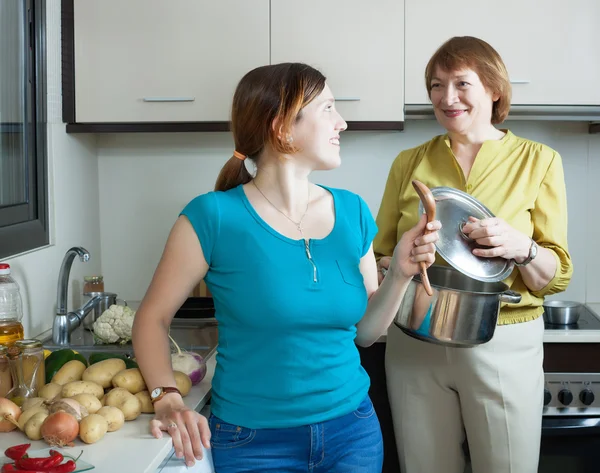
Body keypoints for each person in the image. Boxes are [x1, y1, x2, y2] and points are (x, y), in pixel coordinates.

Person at [131, 62, 441, 472]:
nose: (342, 122)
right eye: (328, 108)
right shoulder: (213, 217)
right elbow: (151, 319)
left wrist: (400, 273)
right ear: (282, 127)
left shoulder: (353, 211)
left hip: (353, 433)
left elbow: (367, 333)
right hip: (252, 443)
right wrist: (167, 397)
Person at [375, 36, 573, 473]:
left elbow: (554, 275)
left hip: (503, 340)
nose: (447, 98)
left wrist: (522, 247)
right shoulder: (408, 163)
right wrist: (401, 260)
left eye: (462, 83)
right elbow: (379, 257)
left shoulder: (539, 160)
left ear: (494, 88)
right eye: (436, 85)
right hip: (417, 339)